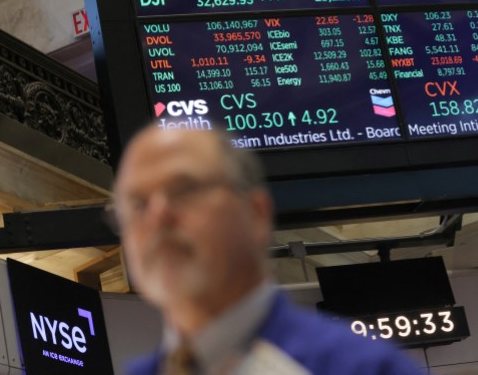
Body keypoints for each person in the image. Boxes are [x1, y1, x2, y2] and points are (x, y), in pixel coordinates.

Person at [112, 125, 424, 375]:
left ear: (257, 214)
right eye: (137, 203)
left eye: (185, 189)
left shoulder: (361, 367)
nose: (157, 218)